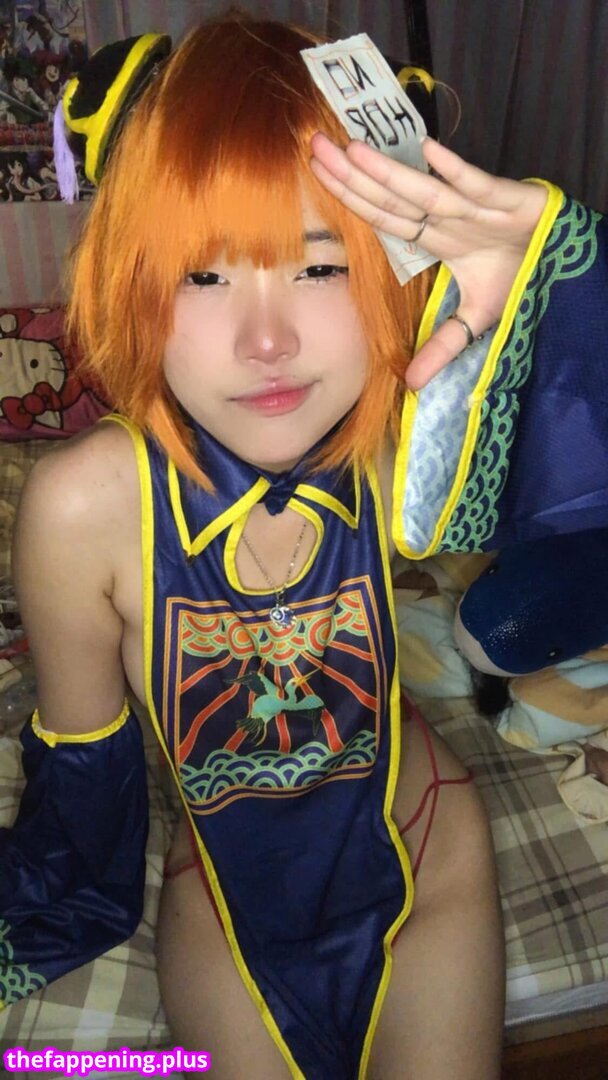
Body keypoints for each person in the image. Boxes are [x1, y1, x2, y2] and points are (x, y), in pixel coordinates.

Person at [2, 13, 607, 1080]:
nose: (267, 339)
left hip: (427, 855)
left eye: (319, 267)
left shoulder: (407, 440)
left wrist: (568, 292)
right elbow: (85, 767)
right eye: (203, 276)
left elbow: (579, 498)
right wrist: (51, 905)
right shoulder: (82, 510)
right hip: (229, 912)